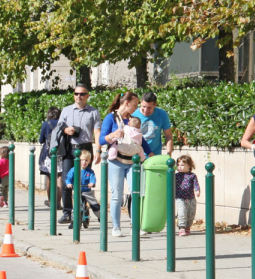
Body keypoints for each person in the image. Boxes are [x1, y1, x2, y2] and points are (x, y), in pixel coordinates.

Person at [100, 91, 152, 237]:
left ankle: (136, 225)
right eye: (135, 105)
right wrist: (113, 135)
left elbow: (141, 140)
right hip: (116, 161)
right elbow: (101, 140)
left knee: (136, 193)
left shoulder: (134, 120)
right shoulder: (110, 118)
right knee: (117, 195)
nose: (136, 108)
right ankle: (116, 227)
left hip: (133, 161)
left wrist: (151, 155)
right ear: (127, 103)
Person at [58, 85, 101, 225]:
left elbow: (97, 133)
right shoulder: (66, 110)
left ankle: (84, 208)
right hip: (70, 148)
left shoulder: (93, 112)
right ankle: (67, 213)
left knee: (84, 181)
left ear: (87, 96)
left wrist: (98, 150)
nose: (79, 96)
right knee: (67, 181)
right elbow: (58, 127)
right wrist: (66, 130)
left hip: (85, 148)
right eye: (76, 93)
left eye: (82, 94)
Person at [133, 93, 173, 158]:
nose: (146, 110)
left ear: (155, 105)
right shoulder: (133, 114)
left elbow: (168, 135)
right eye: (143, 106)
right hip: (136, 156)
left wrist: (169, 154)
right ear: (140, 102)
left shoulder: (162, 114)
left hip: (154, 156)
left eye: (149, 108)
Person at [65, 150, 100, 220]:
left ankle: (100, 217)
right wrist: (68, 183)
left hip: (87, 191)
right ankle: (73, 221)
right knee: (75, 207)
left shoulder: (90, 171)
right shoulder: (74, 170)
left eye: (86, 160)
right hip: (77, 190)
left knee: (94, 205)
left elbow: (92, 178)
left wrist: (92, 183)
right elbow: (68, 178)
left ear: (89, 161)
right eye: (82, 160)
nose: (84, 162)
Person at [174, 154, 200, 236]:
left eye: (182, 165)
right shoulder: (176, 176)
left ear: (189, 166)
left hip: (191, 198)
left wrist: (197, 190)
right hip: (180, 197)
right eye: (178, 165)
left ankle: (188, 227)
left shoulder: (192, 176)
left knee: (191, 213)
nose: (179, 167)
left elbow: (196, 184)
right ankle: (182, 228)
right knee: (182, 213)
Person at [38, 106, 61, 182]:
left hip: (48, 153)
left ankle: (49, 194)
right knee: (59, 175)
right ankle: (59, 194)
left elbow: (41, 140)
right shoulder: (62, 123)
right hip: (60, 152)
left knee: (48, 176)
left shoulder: (46, 124)